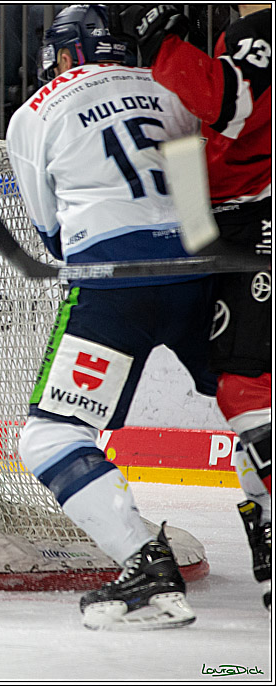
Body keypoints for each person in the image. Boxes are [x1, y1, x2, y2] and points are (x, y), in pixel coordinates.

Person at [6, 5, 212, 630]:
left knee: (50, 437)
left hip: (113, 281)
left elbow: (51, 235)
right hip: (204, 272)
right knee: (253, 406)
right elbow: (198, 204)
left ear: (64, 55)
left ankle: (146, 573)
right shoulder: (168, 89)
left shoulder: (37, 111)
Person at [117, 2, 272, 610]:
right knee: (243, 387)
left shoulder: (263, 27)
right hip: (234, 228)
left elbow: (231, 105)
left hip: (258, 223)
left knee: (248, 384)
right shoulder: (236, 34)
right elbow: (208, 147)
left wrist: (162, 49)